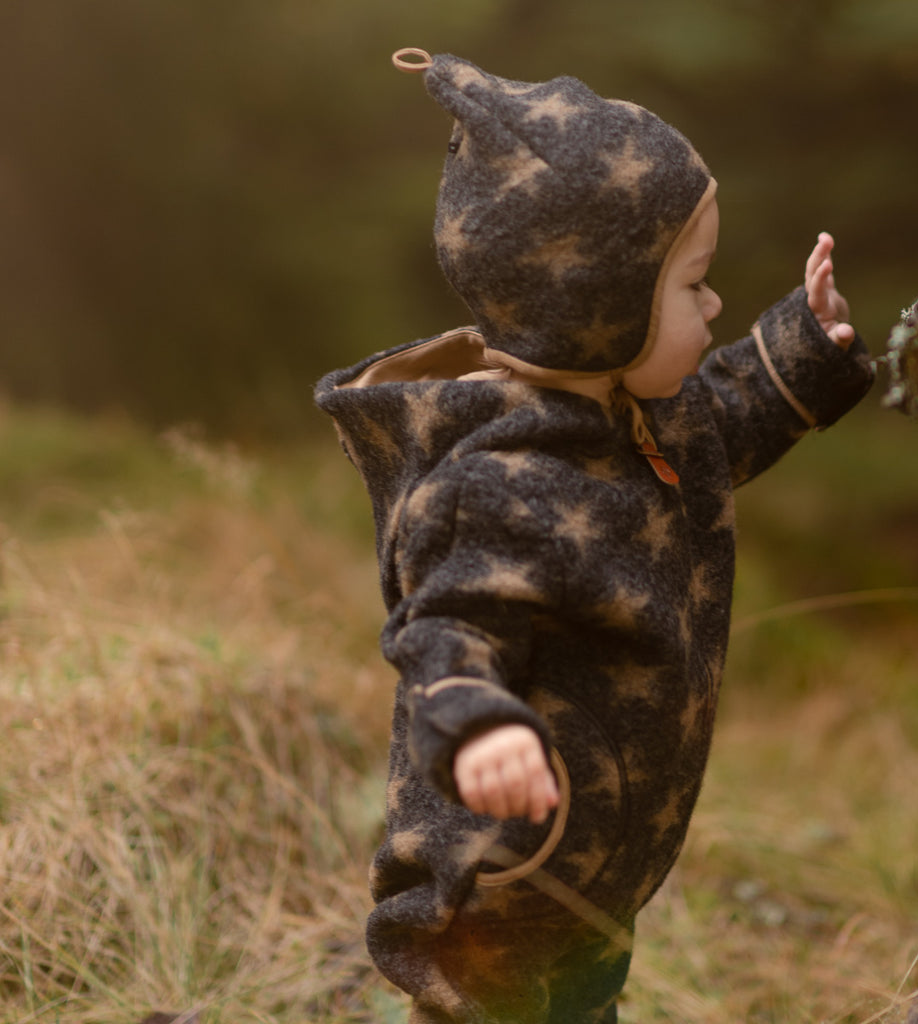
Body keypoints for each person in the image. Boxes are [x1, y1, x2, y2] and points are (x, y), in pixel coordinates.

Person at [315, 48, 874, 1024]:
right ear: (598, 311)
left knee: (581, 991)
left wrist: (802, 345)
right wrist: (478, 720)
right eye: (691, 286)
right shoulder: (491, 480)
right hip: (506, 856)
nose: (713, 305)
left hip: (600, 839)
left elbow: (725, 416)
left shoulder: (641, 411)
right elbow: (442, 624)